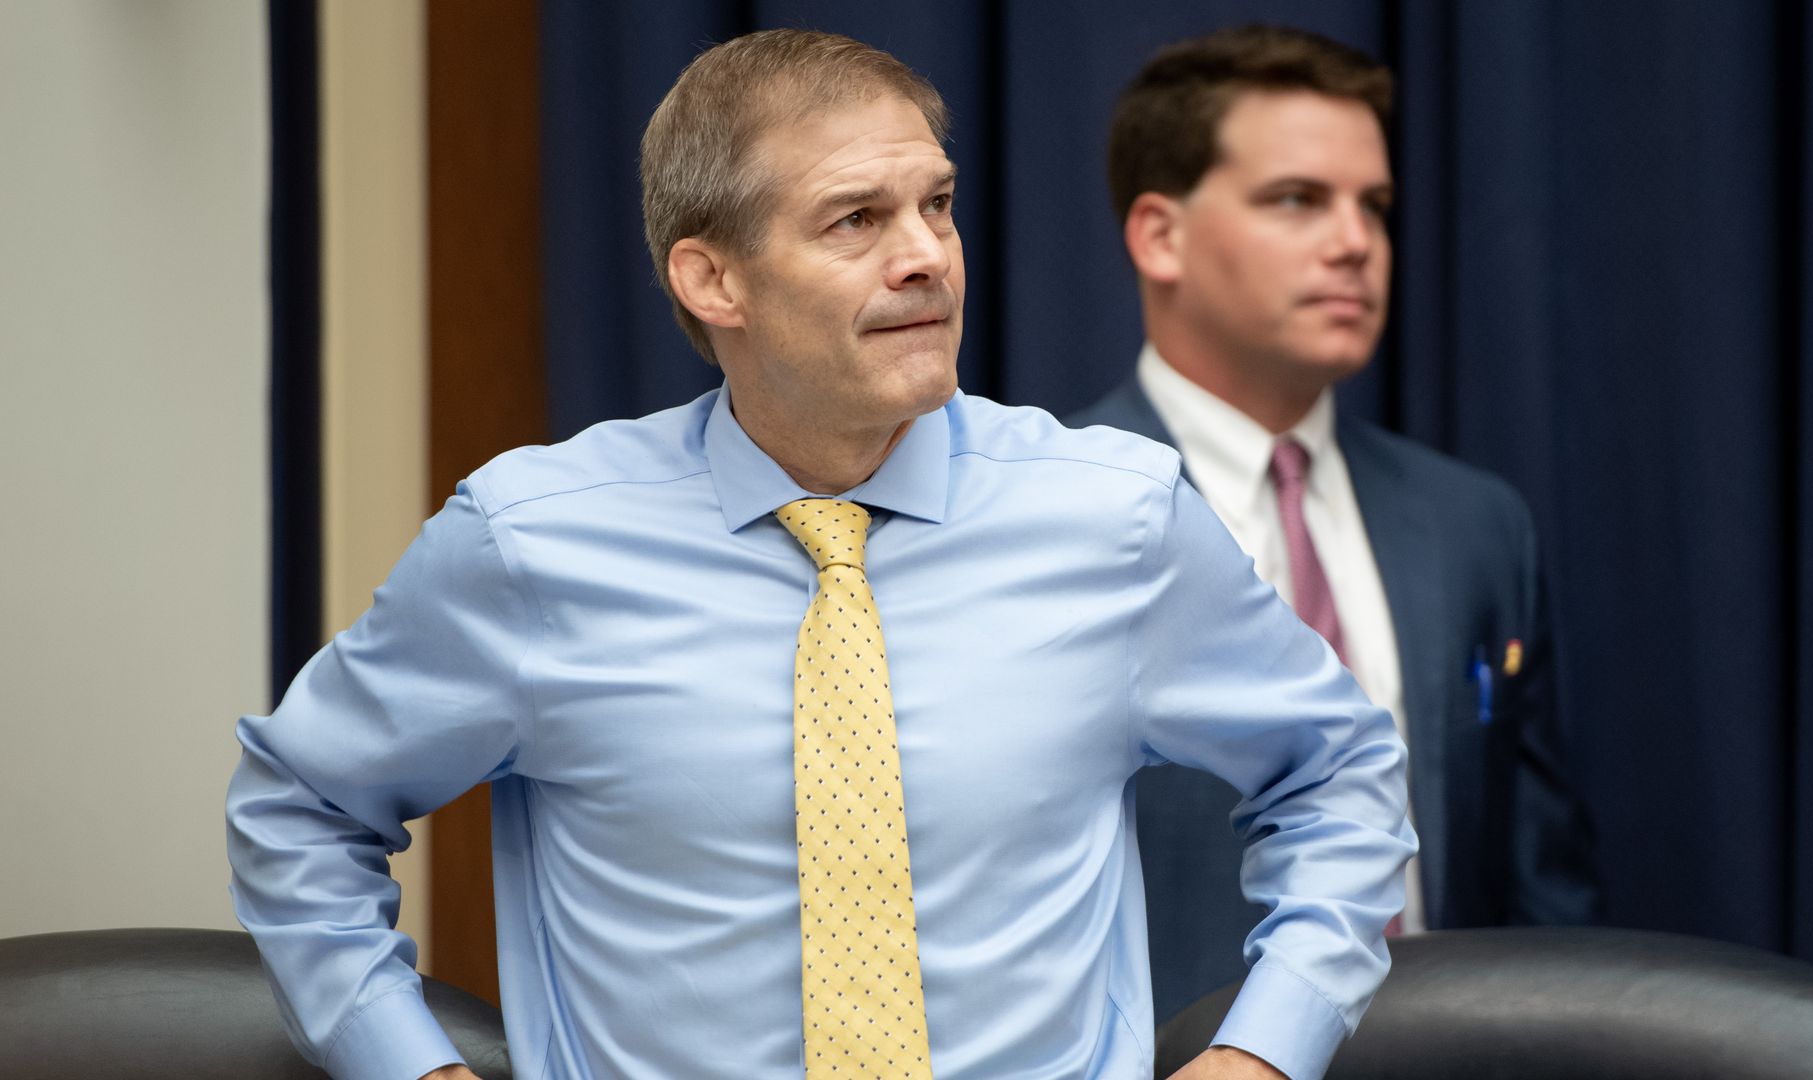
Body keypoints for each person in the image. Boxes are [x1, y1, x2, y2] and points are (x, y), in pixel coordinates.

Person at [227, 28, 1413, 1080]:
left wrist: (1266, 1049)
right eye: (857, 220)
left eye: (937, 205)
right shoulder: (529, 542)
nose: (927, 256)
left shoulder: (1117, 517)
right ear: (713, 278)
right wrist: (407, 1066)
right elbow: (302, 806)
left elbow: (1340, 771)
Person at [1068, 24, 1601, 1022]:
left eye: (1375, 206)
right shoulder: (1051, 516)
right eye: (1298, 199)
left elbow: (1543, 890)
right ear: (1159, 236)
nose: (1356, 242)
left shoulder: (1474, 525)